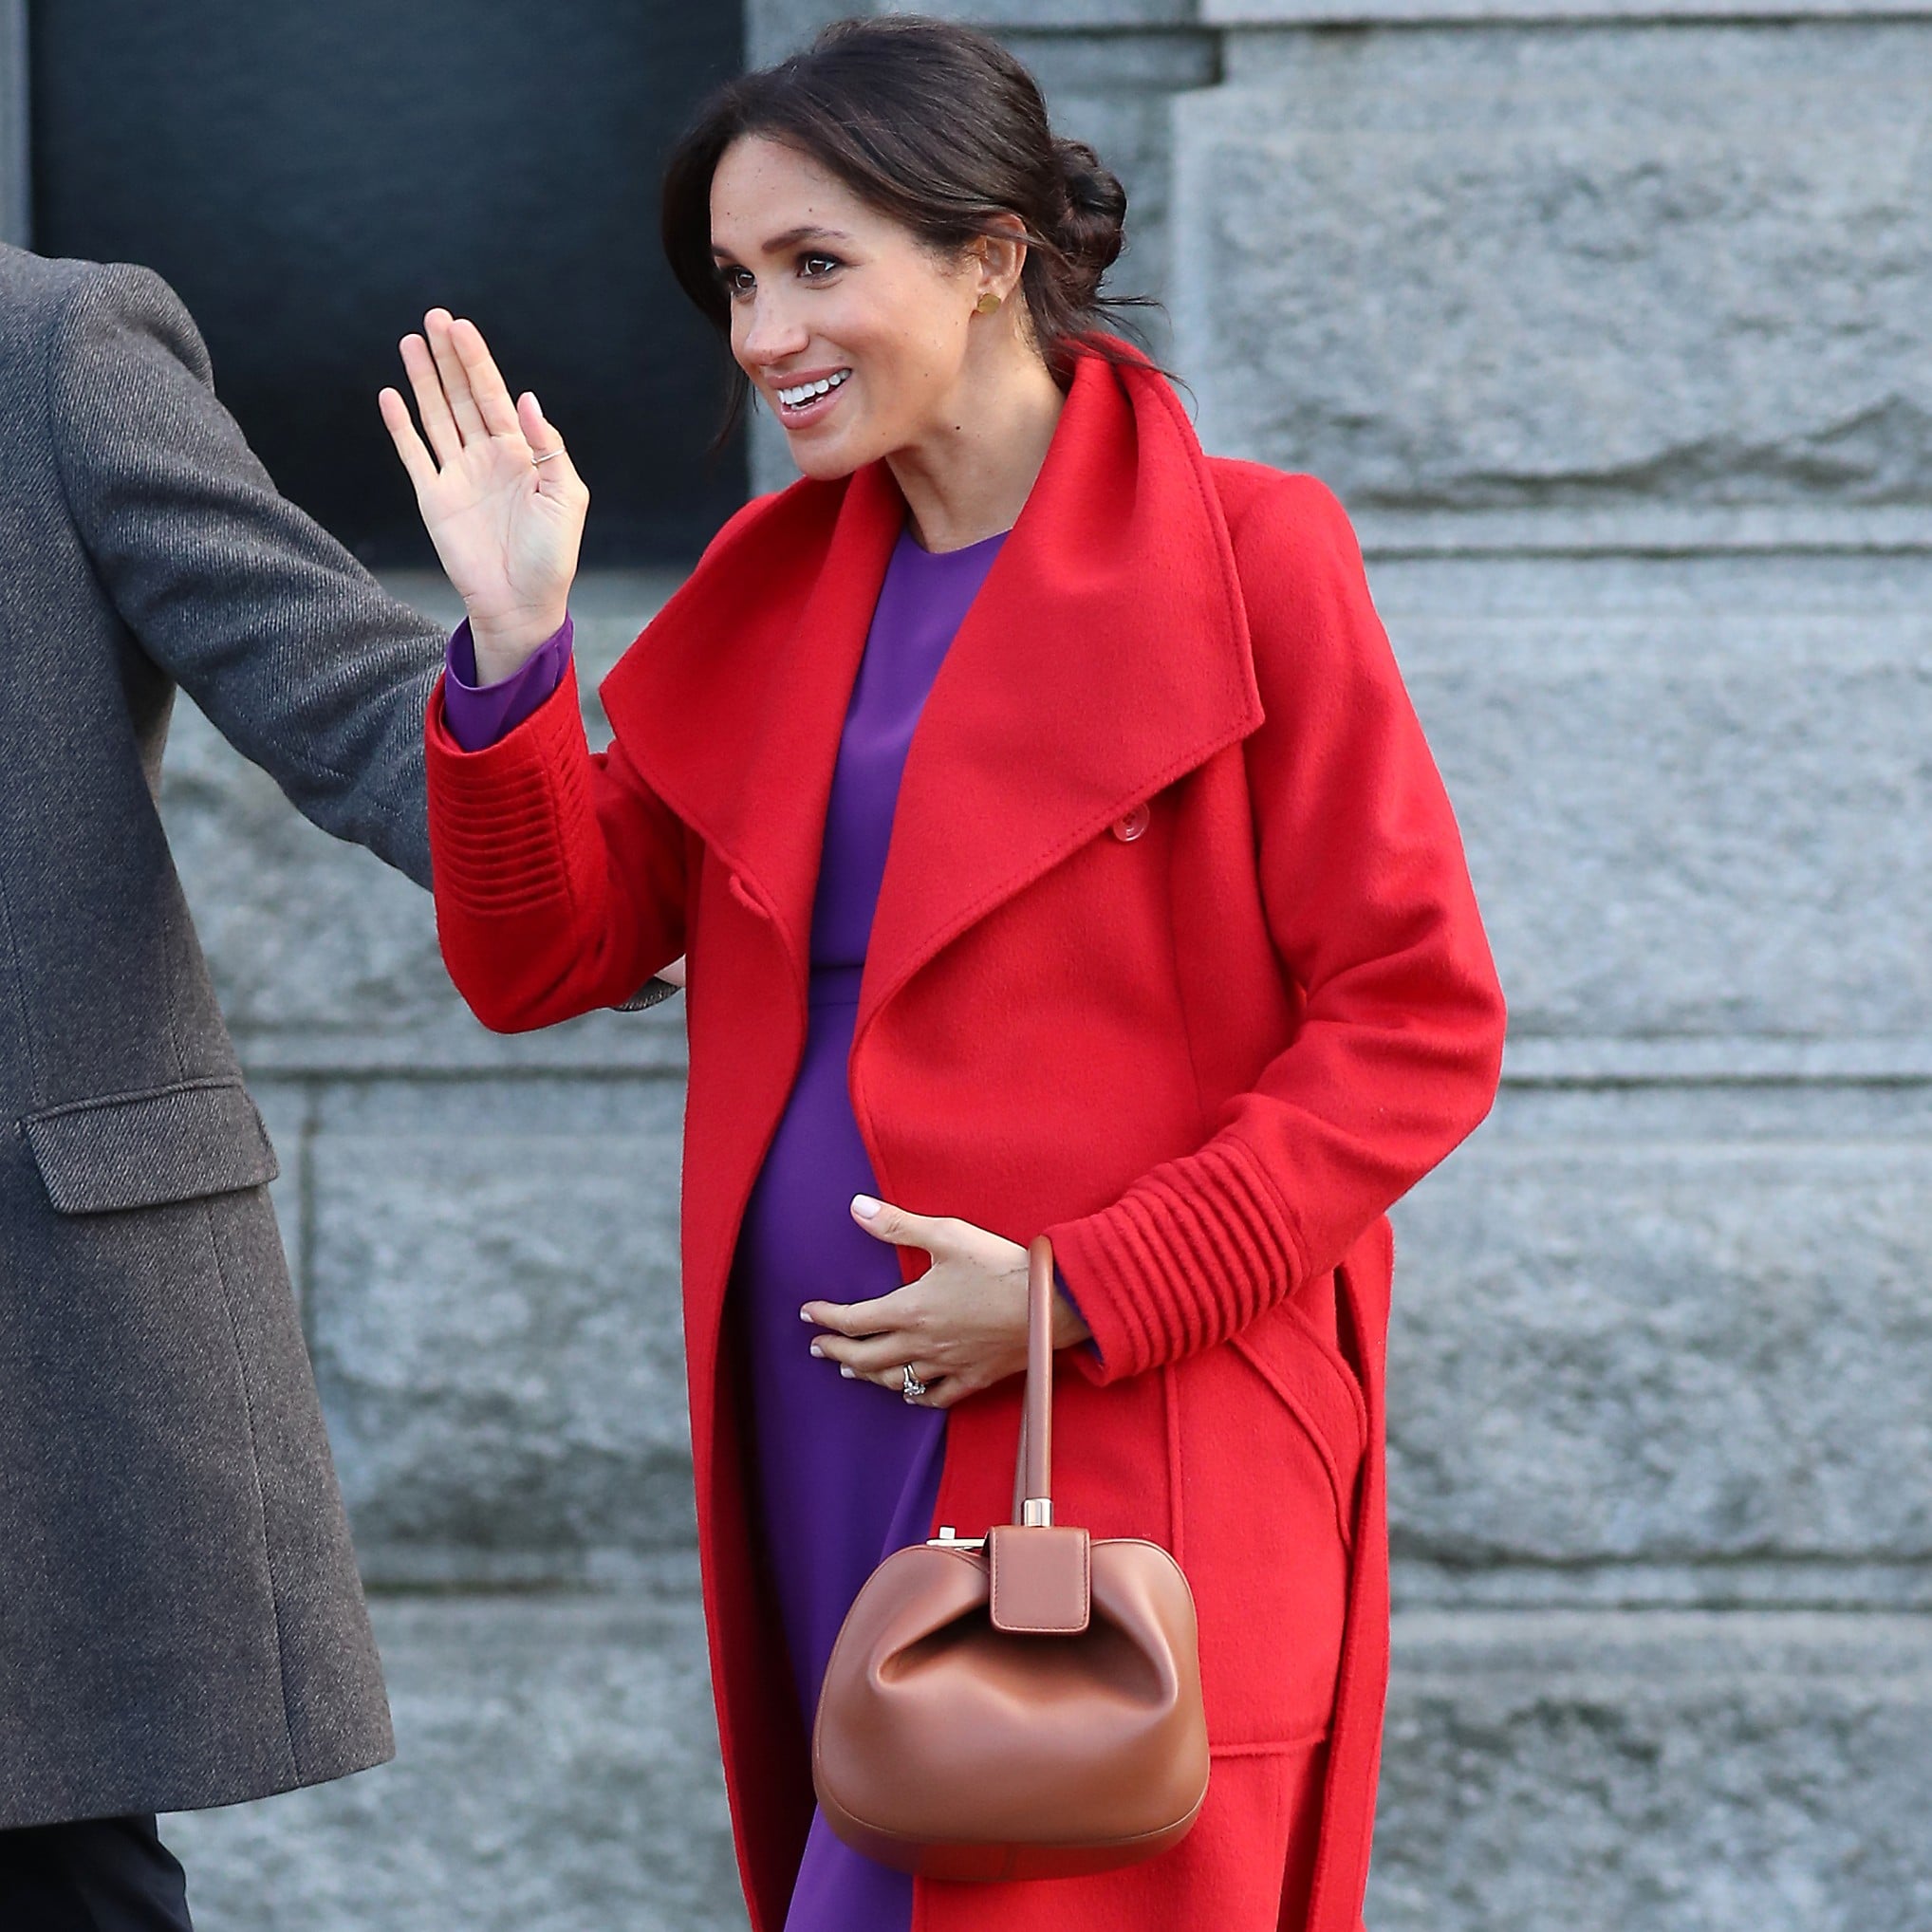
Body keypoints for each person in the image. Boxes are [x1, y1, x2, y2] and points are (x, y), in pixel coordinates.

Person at [385, 17, 1507, 1932]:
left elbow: (1416, 1025)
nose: (762, 333)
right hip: (827, 1412)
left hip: (1123, 1408)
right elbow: (548, 951)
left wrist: (1085, 1290)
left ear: (993, 255)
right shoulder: (767, 579)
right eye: (736, 280)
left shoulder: (1254, 554)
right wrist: (511, 643)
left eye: (818, 266)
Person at [0, 243, 447, 1928]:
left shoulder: (48, 350)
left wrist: (601, 870)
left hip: (19, 1317)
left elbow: (338, 681)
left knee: (49, 1876)